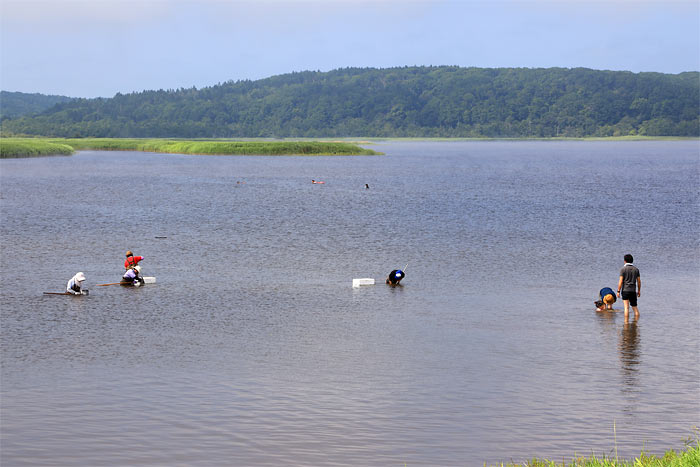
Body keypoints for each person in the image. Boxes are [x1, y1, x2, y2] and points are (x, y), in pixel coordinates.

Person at [617, 254, 641, 321]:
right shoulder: (636, 270)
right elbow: (639, 282)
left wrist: (618, 291)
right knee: (634, 307)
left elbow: (621, 281)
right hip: (633, 291)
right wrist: (639, 291)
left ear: (624, 261)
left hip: (625, 290)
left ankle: (626, 323)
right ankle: (636, 322)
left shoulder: (623, 269)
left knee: (626, 308)